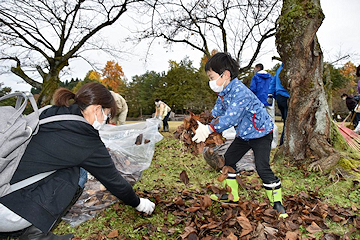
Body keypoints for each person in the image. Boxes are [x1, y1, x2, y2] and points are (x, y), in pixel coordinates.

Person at [0, 82, 155, 239]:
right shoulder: (86, 139)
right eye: (107, 115)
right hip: (8, 212)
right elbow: (115, 181)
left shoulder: (52, 112)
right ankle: (36, 233)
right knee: (77, 173)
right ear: (97, 109)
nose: (106, 121)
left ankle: (23, 230)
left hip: (4, 191)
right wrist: (138, 203)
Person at [192, 52, 288, 218]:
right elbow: (218, 112)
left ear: (226, 75)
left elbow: (231, 117)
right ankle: (232, 195)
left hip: (261, 134)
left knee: (262, 167)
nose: (211, 82)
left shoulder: (240, 92)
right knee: (229, 159)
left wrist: (209, 130)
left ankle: (277, 203)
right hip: (244, 135)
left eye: (211, 77)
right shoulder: (223, 93)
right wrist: (202, 122)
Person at [249, 63, 278, 149]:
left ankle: (259, 138)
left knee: (258, 120)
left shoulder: (255, 77)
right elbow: (274, 88)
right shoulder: (270, 77)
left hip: (259, 100)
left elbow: (253, 89)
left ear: (258, 68)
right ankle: (272, 139)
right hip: (270, 100)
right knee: (271, 119)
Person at [268, 64, 290, 146]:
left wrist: (270, 94)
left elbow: (273, 82)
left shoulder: (279, 69)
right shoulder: (289, 67)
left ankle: (282, 143)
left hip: (279, 97)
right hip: (287, 96)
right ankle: (283, 143)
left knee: (286, 121)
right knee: (288, 122)